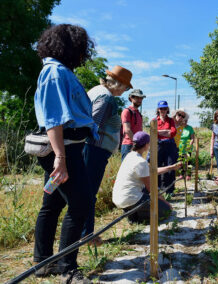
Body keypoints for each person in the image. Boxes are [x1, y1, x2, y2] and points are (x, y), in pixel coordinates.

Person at [33, 24, 97, 283]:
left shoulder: (60, 71)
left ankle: (42, 262)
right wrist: (60, 158)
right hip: (64, 150)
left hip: (68, 148)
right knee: (81, 204)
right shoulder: (55, 73)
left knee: (53, 203)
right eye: (81, 49)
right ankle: (67, 268)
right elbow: (53, 120)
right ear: (69, 47)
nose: (83, 55)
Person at [82, 65, 133, 245]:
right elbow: (94, 124)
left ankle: (85, 233)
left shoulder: (96, 91)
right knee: (89, 192)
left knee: (86, 191)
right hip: (94, 149)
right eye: (126, 87)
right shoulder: (106, 97)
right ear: (118, 85)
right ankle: (86, 234)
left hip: (92, 148)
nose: (125, 91)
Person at [113, 132, 181, 223]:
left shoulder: (129, 156)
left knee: (145, 193)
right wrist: (166, 203)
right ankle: (138, 216)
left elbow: (152, 171)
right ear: (146, 145)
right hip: (130, 198)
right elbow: (152, 189)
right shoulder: (140, 162)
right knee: (166, 211)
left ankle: (133, 214)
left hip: (119, 199)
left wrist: (171, 167)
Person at [154, 101, 177, 194]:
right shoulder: (154, 120)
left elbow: (173, 132)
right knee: (157, 166)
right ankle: (158, 188)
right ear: (158, 109)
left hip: (170, 145)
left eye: (165, 108)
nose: (163, 110)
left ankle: (169, 190)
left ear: (167, 109)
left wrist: (159, 132)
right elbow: (153, 132)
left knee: (170, 166)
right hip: (158, 145)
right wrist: (166, 131)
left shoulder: (171, 120)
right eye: (161, 108)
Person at [121, 89, 146, 161]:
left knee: (135, 170)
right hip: (128, 145)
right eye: (137, 97)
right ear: (131, 98)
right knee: (126, 170)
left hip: (137, 145)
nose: (140, 100)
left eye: (141, 98)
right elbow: (127, 129)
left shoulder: (138, 113)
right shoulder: (127, 111)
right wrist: (137, 143)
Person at [178, 114, 195, 180]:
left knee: (188, 162)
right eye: (183, 120)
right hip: (180, 147)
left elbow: (192, 138)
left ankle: (188, 175)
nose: (185, 121)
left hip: (188, 147)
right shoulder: (179, 127)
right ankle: (181, 174)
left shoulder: (190, 128)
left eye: (186, 120)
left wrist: (190, 145)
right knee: (181, 161)